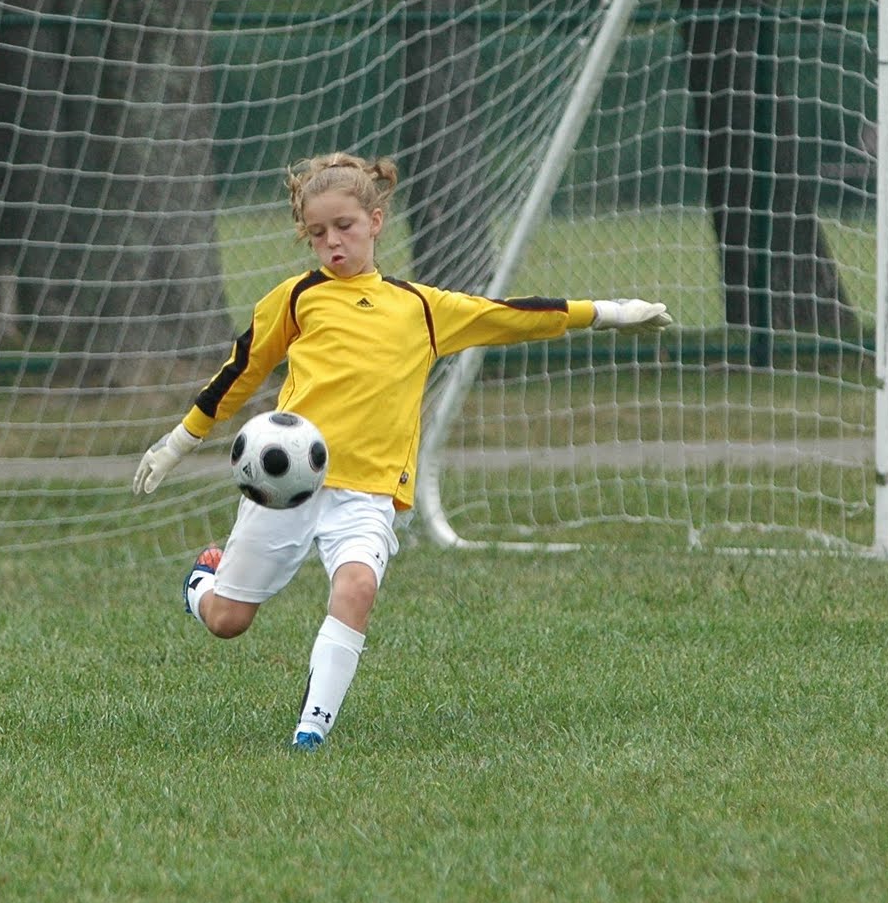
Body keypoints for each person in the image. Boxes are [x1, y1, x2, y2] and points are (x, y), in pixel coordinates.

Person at [132, 151, 673, 751]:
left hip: (369, 490)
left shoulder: (418, 307)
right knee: (227, 622)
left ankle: (310, 733)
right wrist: (179, 442)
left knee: (358, 585)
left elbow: (510, 316)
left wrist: (611, 313)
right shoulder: (295, 299)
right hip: (283, 487)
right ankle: (201, 583)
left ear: (376, 222)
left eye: (345, 227)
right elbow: (239, 369)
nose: (332, 242)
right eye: (317, 233)